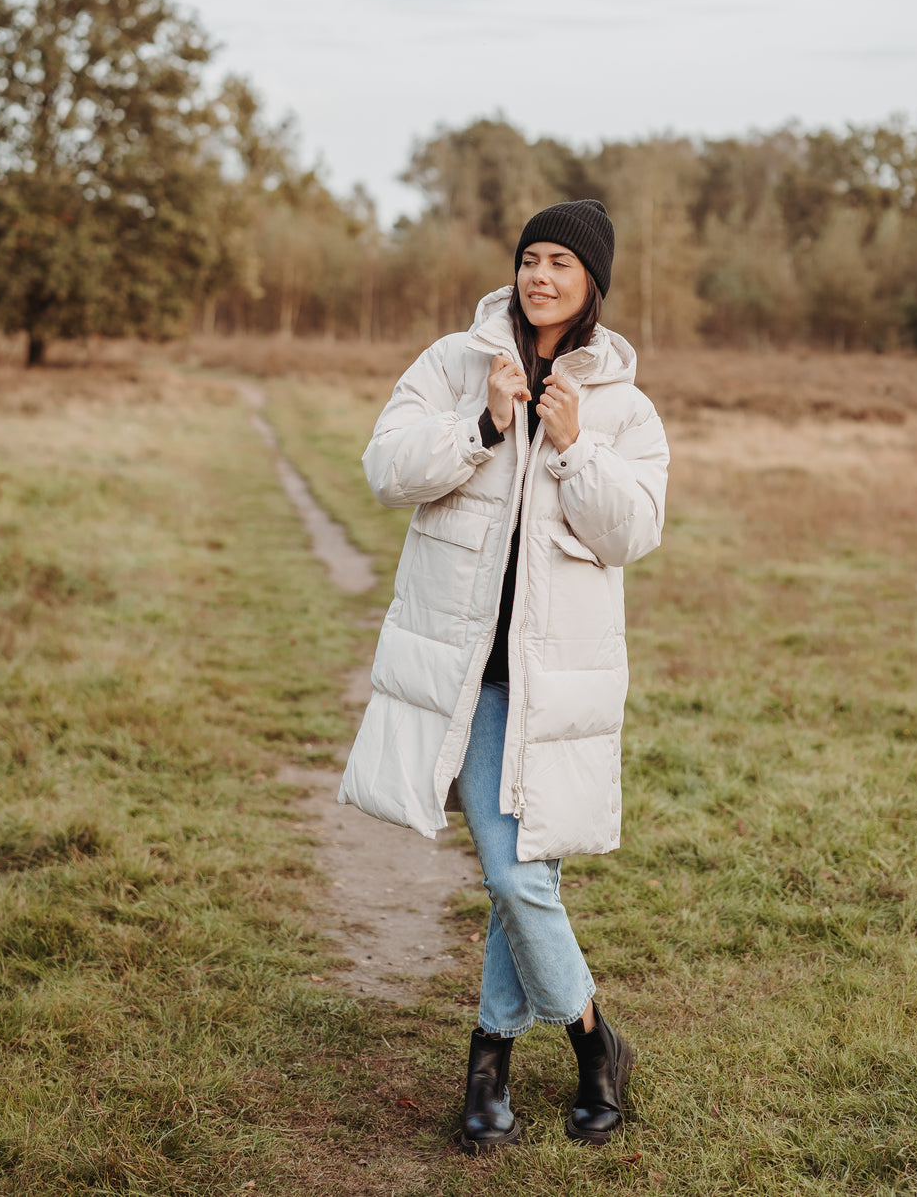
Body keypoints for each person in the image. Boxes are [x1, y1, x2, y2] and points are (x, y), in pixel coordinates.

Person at [338, 199, 669, 1153]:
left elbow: (632, 533)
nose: (541, 275)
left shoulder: (624, 408)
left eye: (563, 261)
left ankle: (490, 1063)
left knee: (521, 880)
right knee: (516, 875)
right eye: (531, 257)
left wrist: (575, 448)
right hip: (471, 678)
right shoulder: (452, 364)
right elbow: (386, 470)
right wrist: (482, 426)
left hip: (557, 684)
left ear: (593, 281)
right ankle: (596, 1042)